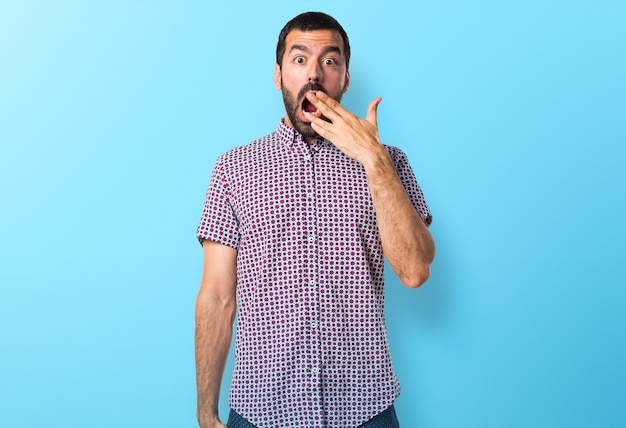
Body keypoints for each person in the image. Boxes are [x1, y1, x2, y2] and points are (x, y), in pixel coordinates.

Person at [195, 11, 435, 428]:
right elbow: (217, 297)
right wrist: (205, 410)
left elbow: (415, 271)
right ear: (278, 75)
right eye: (299, 59)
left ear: (344, 78)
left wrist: (374, 159)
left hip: (366, 410)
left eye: (330, 61)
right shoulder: (232, 170)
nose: (314, 74)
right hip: (260, 410)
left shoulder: (390, 163)